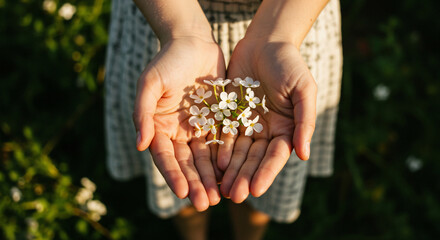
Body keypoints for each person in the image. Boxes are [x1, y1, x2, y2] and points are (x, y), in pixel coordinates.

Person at [104, 0, 342, 239]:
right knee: (185, 175)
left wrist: (278, 35)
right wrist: (181, 31)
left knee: (256, 181)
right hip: (165, 17)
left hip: (293, 19)